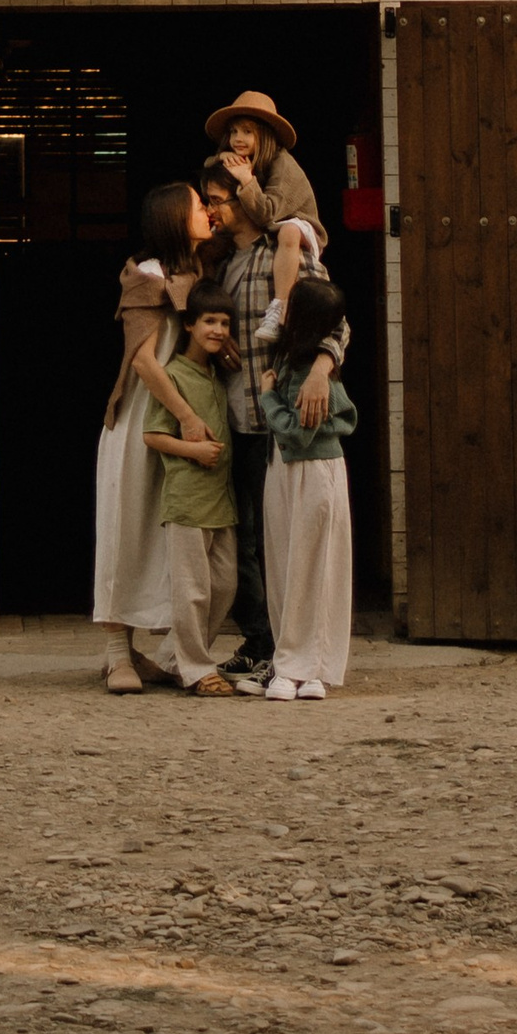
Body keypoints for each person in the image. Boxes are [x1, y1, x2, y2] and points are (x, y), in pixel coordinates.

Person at [199, 156, 347, 686]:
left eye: (217, 200)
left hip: (279, 422)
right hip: (236, 414)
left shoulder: (284, 252)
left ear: (243, 199)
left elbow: (332, 316)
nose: (212, 211)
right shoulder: (223, 264)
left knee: (277, 541)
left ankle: (290, 651)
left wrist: (321, 370)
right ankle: (262, 641)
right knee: (243, 540)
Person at [92, 181, 208, 695]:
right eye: (199, 206)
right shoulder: (147, 276)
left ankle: (163, 652)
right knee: (127, 528)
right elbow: (143, 361)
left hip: (185, 418)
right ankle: (117, 656)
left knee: (174, 535)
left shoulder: (199, 272)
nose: (208, 210)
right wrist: (184, 414)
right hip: (144, 416)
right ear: (173, 218)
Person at [140, 286, 242, 694]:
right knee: (193, 591)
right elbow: (153, 436)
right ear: (189, 325)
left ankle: (168, 660)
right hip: (186, 501)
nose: (218, 330)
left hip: (221, 501)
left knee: (225, 586)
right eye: (209, 322)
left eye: (224, 323)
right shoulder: (175, 375)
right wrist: (195, 450)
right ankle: (199, 671)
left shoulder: (218, 376)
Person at [261, 271, 357, 700]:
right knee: (293, 565)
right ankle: (305, 664)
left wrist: (267, 397)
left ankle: (304, 666)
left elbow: (297, 432)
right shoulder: (291, 357)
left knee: (309, 567)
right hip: (290, 468)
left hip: (309, 467)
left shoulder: (303, 370)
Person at [203, 89, 326, 310]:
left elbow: (267, 213)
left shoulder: (283, 165)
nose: (238, 139)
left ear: (265, 135)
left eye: (247, 132)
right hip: (267, 223)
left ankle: (280, 304)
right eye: (233, 131)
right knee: (208, 244)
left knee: (289, 232)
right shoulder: (227, 260)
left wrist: (246, 180)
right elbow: (208, 165)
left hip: (297, 226)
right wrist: (221, 157)